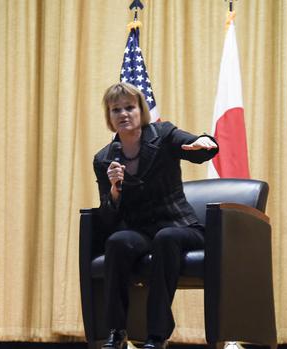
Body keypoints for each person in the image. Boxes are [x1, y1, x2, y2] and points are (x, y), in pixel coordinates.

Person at [93, 83, 218, 349]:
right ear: (109, 116)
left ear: (141, 110)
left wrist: (202, 143)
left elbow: (193, 146)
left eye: (130, 107)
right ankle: (117, 331)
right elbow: (106, 217)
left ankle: (157, 335)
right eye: (116, 109)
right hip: (140, 231)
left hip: (179, 226)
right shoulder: (104, 158)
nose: (124, 114)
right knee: (116, 242)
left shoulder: (162, 135)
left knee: (165, 237)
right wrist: (115, 191)